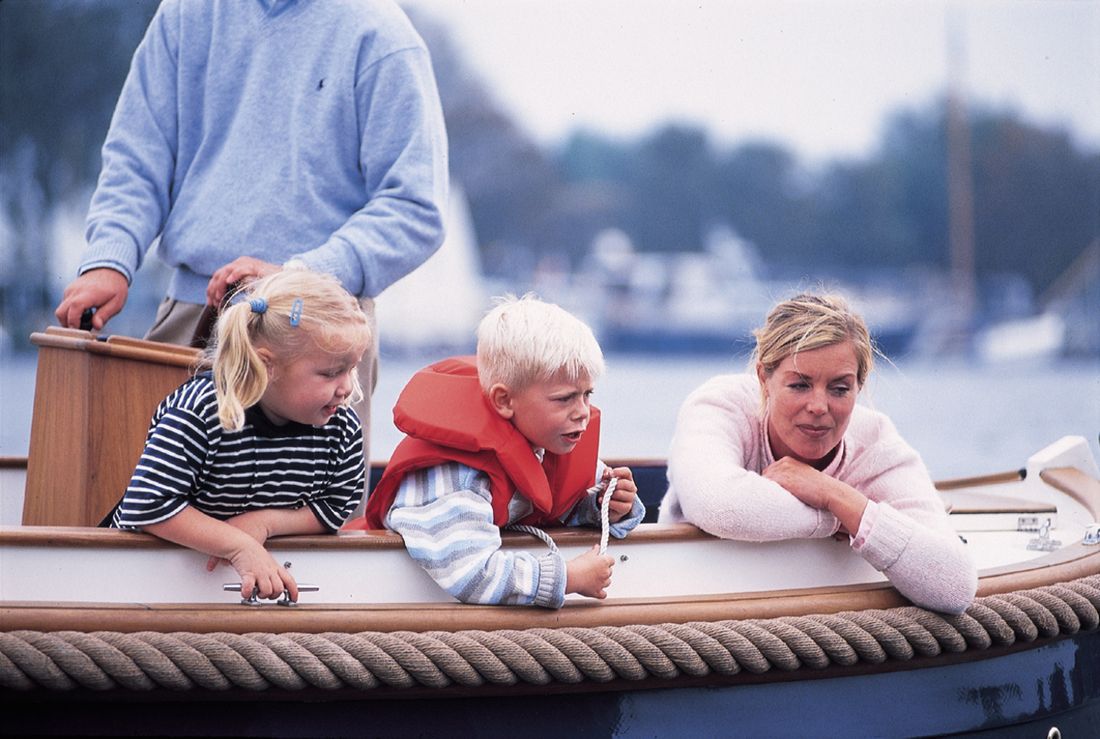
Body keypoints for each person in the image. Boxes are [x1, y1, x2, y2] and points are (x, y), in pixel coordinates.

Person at [53, 0, 449, 487]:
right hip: (192, 315)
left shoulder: (382, 35)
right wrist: (109, 260)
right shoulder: (184, 15)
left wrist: (297, 276)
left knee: (310, 518)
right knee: (150, 507)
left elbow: (416, 206)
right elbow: (136, 156)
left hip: (319, 332)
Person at [658, 293, 977, 614]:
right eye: (800, 385)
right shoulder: (721, 404)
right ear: (764, 378)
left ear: (858, 387)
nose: (818, 407)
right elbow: (718, 506)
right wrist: (839, 519)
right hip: (685, 598)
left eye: (840, 389)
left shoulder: (876, 444)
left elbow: (954, 587)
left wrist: (835, 495)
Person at [345, 295, 645, 608]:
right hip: (365, 593)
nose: (583, 412)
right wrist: (567, 578)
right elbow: (471, 573)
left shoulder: (547, 440)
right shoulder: (455, 476)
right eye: (564, 399)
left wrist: (603, 506)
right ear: (504, 400)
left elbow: (557, 504)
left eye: (587, 395)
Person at [106, 268, 372, 602]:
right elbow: (147, 504)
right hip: (139, 581)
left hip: (240, 590)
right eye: (331, 373)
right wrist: (239, 546)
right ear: (267, 366)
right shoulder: (202, 411)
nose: (346, 388)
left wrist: (265, 524)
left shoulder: (341, 428)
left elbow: (335, 506)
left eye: (351, 368)